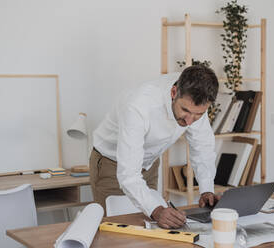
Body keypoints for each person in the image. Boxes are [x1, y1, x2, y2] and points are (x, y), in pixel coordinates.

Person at [90, 65, 220, 229]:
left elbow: (203, 148)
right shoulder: (138, 104)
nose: (189, 121)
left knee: (149, 229)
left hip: (149, 163)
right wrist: (156, 209)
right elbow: (128, 174)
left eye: (198, 115)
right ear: (173, 93)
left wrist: (206, 190)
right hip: (111, 163)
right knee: (115, 232)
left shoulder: (197, 97)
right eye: (185, 111)